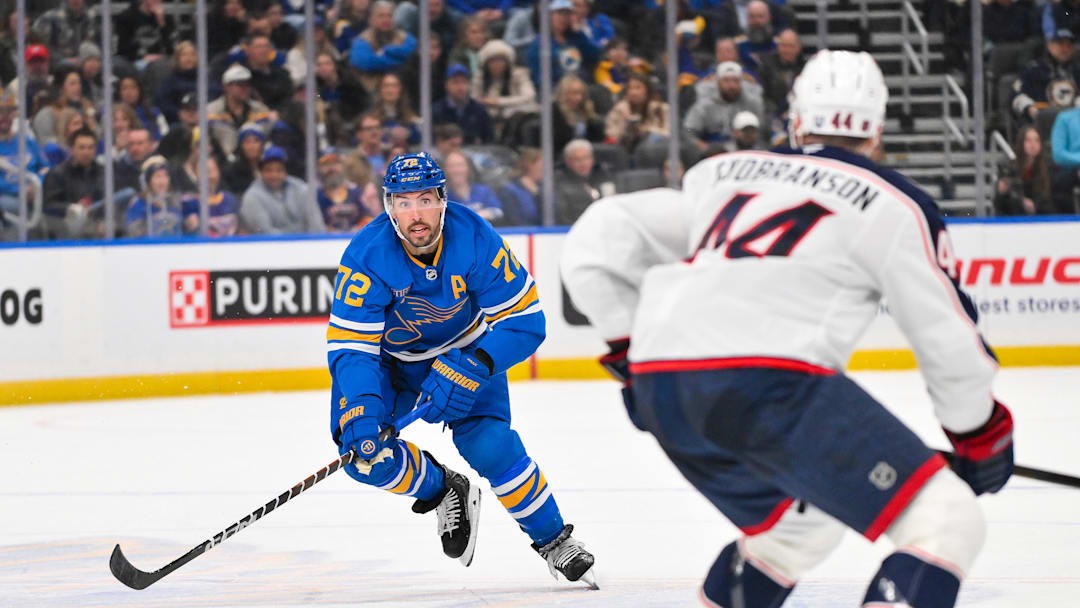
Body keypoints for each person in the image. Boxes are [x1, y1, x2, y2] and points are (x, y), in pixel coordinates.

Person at [561, 50, 1014, 608]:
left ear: (795, 120)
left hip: (666, 387)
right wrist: (979, 434)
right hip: (771, 385)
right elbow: (945, 338)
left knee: (796, 528)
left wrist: (632, 353)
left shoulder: (719, 175)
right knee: (947, 520)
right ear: (875, 130)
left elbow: (599, 235)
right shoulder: (897, 204)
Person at [326, 152, 597, 585]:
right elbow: (351, 349)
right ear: (388, 206)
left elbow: (526, 323)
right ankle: (440, 488)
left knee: (492, 448)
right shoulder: (366, 256)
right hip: (391, 368)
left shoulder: (474, 237)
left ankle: (554, 541)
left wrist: (474, 364)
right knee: (364, 459)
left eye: (425, 199)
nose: (416, 214)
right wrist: (359, 405)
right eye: (403, 201)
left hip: (466, 353)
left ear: (442, 200)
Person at [240, 145, 325, 234]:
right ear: (261, 173)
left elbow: (317, 226)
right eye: (268, 170)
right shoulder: (252, 196)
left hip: (306, 244)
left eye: (279, 170)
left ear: (285, 172)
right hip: (270, 246)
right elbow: (265, 233)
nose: (274, 175)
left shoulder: (301, 189)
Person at [684, 61, 766, 150]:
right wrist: (704, 147)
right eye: (726, 81)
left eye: (735, 81)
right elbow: (688, 131)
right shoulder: (704, 106)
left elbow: (763, 131)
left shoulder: (753, 103)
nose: (731, 85)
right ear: (718, 82)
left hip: (746, 151)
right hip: (713, 153)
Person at [348, 0, 417, 93]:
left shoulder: (404, 37)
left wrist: (387, 51)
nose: (386, 19)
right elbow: (366, 62)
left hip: (404, 91)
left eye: (389, 15)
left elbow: (412, 52)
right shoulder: (362, 40)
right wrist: (400, 62)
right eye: (381, 15)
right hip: (370, 94)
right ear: (372, 19)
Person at [125, 155, 195, 238]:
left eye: (165, 175)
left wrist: (191, 224)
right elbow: (133, 233)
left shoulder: (179, 201)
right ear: (148, 181)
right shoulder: (138, 203)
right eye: (157, 176)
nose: (162, 181)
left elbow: (191, 231)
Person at [604, 73, 669, 153]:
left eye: (638, 88)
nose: (633, 92)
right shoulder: (619, 109)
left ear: (647, 90)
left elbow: (668, 132)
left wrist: (647, 130)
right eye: (630, 88)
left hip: (653, 148)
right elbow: (610, 133)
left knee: (654, 137)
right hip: (625, 145)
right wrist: (625, 124)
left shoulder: (661, 108)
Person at [432, 64, 494, 145]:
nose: (460, 87)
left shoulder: (479, 111)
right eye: (455, 82)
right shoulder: (436, 111)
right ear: (446, 85)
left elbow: (490, 141)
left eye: (464, 82)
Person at [555, 139, 613, 224]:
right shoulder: (559, 184)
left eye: (586, 158)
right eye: (577, 159)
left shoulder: (604, 176)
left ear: (592, 159)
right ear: (568, 162)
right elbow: (564, 217)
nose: (583, 163)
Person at [317, 148, 375, 232]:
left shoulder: (355, 192)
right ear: (319, 168)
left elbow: (369, 218)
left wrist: (358, 228)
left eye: (335, 163)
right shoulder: (316, 196)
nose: (331, 168)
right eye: (326, 164)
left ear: (342, 166)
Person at [443, 149, 503, 222]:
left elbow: (498, 212)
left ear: (468, 168)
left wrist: (479, 215)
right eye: (452, 166)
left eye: (460, 165)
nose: (456, 170)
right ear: (446, 170)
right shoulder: (442, 197)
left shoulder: (483, 191)